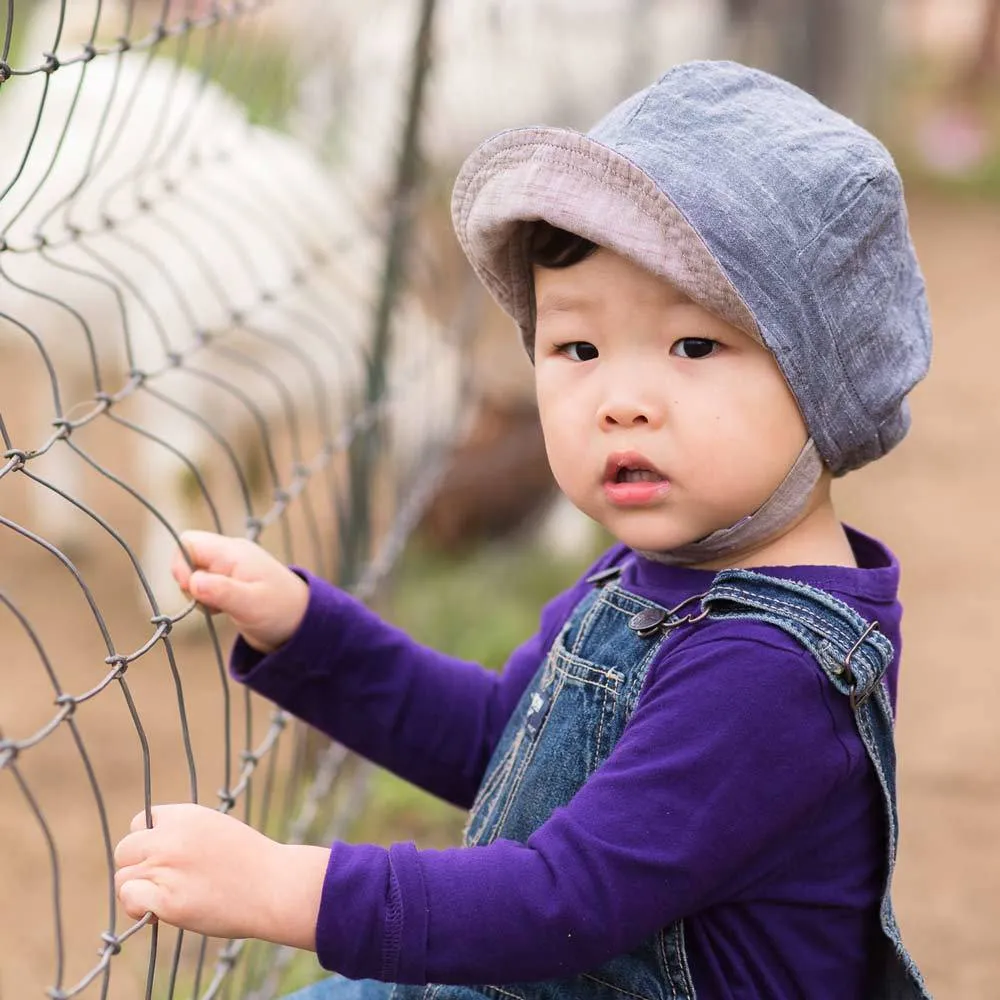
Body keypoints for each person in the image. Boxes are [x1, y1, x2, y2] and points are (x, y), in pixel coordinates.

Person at [113, 61, 934, 999]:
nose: (621, 401)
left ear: (822, 377)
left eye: (694, 347)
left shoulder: (765, 674)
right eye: (577, 348)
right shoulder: (652, 577)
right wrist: (311, 633)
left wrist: (284, 889)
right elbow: (497, 743)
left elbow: (557, 901)